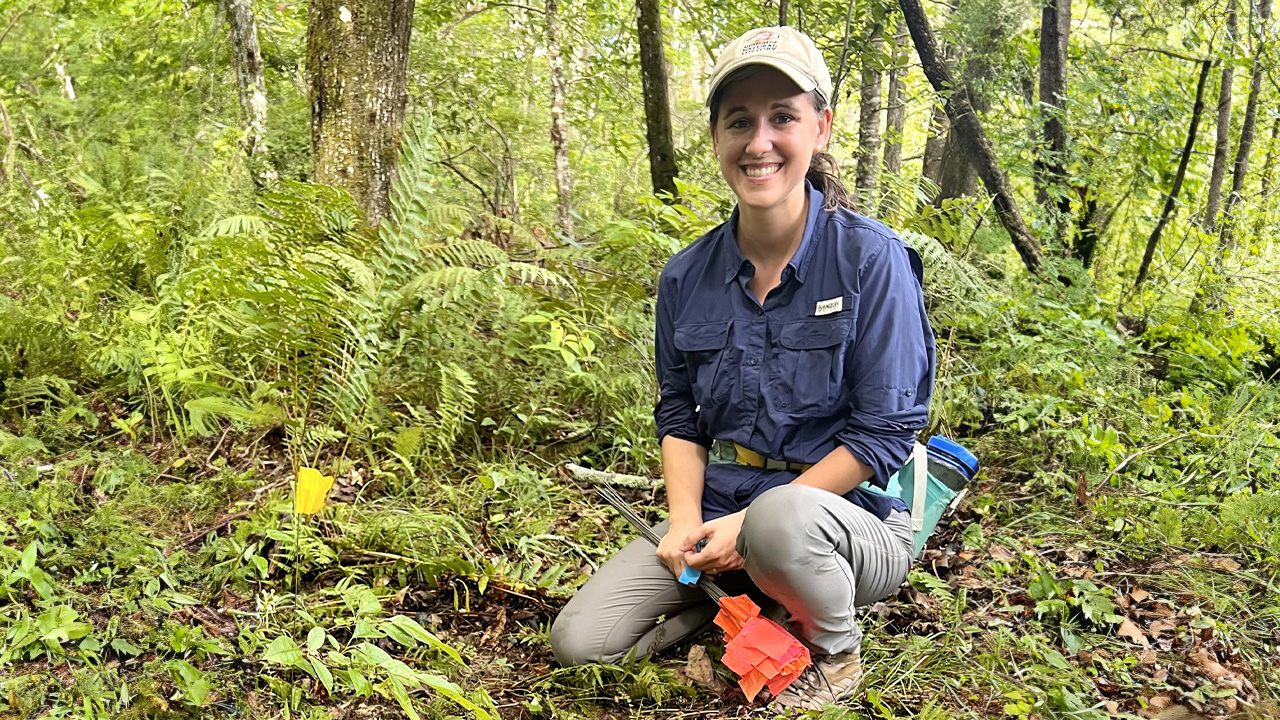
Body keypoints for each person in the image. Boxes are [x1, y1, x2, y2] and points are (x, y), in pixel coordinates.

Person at [550, 26, 935, 710]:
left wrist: (751, 524)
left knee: (781, 520)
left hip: (849, 524)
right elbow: (678, 414)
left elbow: (884, 433)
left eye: (782, 117)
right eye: (739, 122)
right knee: (583, 643)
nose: (760, 142)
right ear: (717, 139)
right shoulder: (685, 277)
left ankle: (835, 658)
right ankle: (740, 607)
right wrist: (684, 524)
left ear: (819, 127)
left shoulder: (871, 261)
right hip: (724, 510)